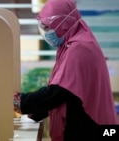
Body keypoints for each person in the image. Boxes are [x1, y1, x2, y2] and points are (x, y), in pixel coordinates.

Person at [14, 0, 119, 141]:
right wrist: (36, 112)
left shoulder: (80, 48)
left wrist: (19, 102)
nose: (45, 33)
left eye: (47, 27)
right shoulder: (71, 45)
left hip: (90, 128)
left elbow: (60, 91)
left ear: (64, 24)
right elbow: (69, 90)